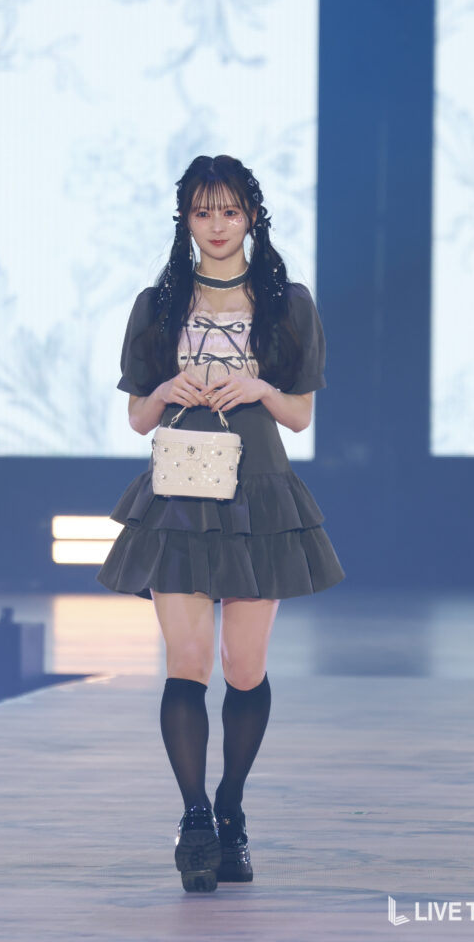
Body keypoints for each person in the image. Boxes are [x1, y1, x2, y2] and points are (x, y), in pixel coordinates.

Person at [97, 154, 345, 892]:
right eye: (203, 212)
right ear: (185, 219)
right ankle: (196, 818)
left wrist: (258, 387)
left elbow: (300, 415)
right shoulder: (158, 304)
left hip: (256, 493)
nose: (216, 225)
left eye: (229, 211)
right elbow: (138, 416)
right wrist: (167, 389)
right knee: (186, 662)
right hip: (178, 495)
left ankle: (232, 809)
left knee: (243, 668)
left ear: (252, 217)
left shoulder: (287, 303)